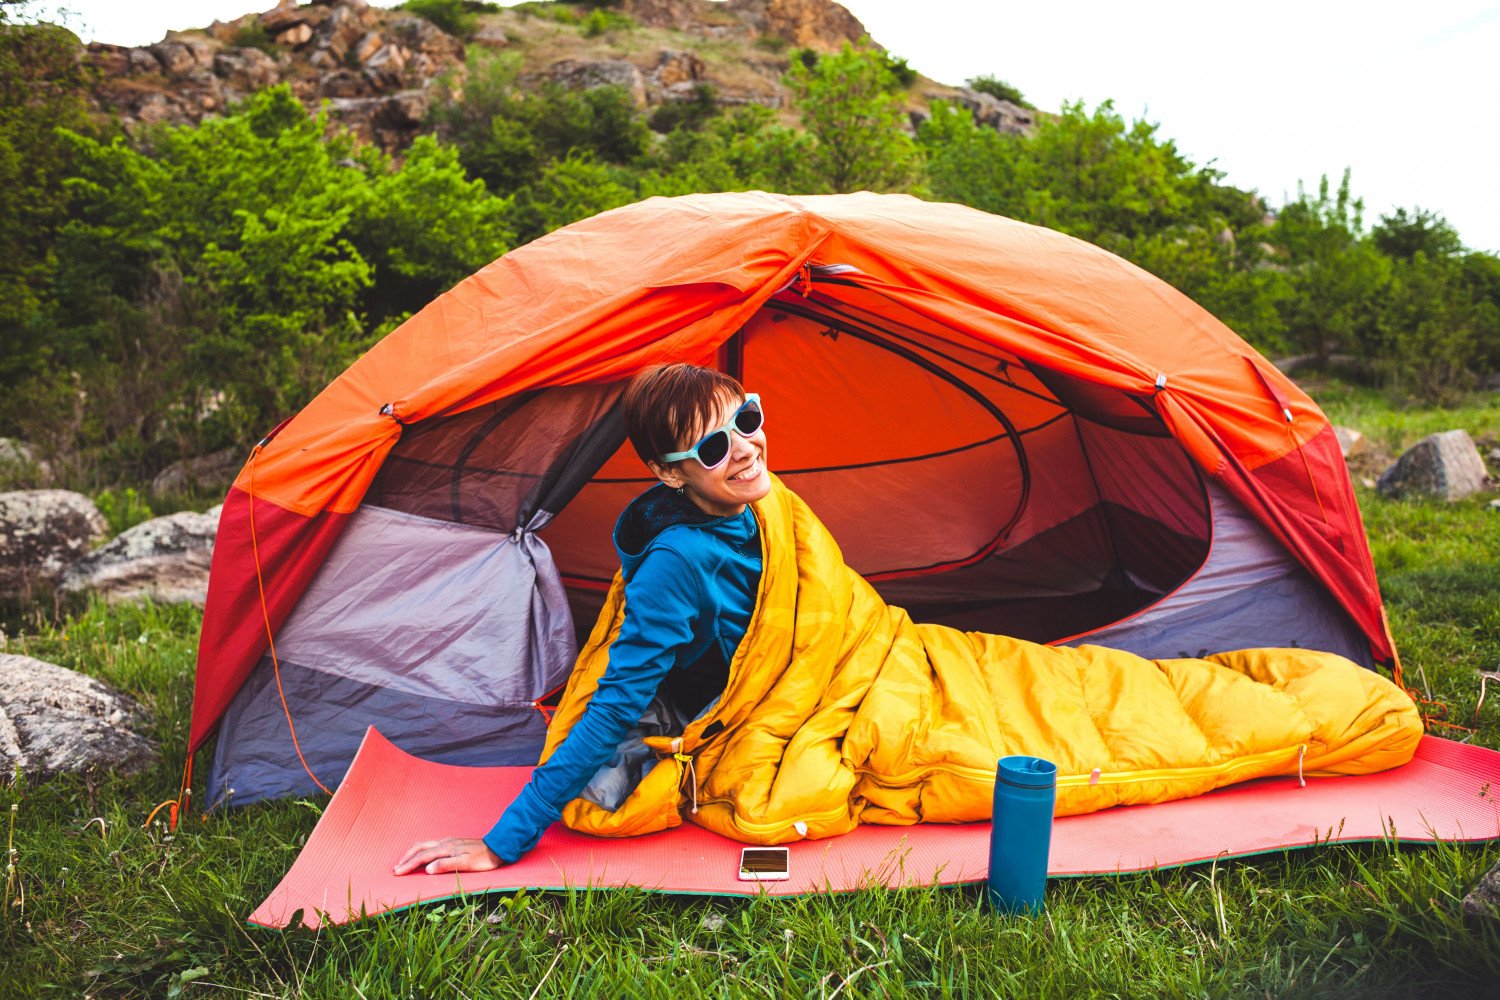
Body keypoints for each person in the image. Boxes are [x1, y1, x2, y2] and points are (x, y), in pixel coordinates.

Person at [395, 363, 772, 876]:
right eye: (712, 448)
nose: (746, 449)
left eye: (746, 420)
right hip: (720, 699)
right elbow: (618, 703)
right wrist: (504, 840)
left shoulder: (760, 501)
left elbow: (820, 599)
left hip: (784, 670)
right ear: (669, 473)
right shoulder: (677, 563)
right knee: (603, 795)